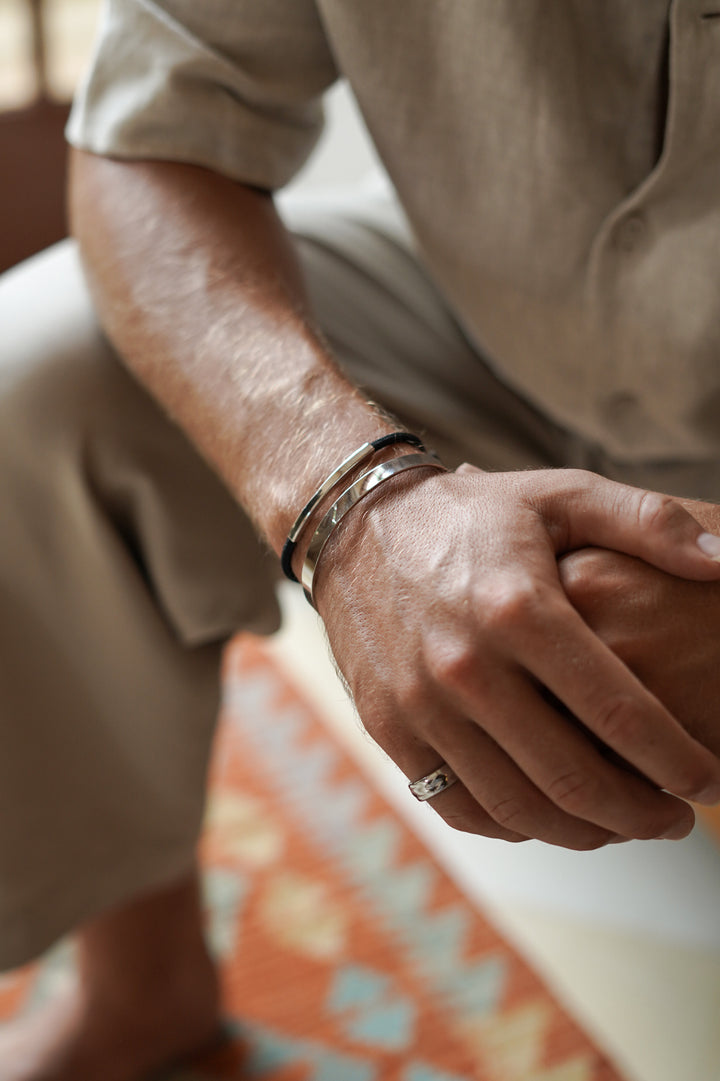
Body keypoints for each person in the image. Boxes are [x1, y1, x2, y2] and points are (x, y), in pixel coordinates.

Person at [1, 1, 720, 1076]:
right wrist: (355, 501)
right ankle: (140, 985)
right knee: (31, 381)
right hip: (500, 310)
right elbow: (148, 142)